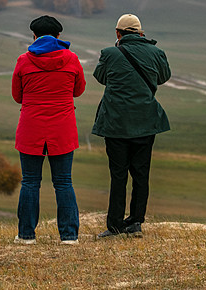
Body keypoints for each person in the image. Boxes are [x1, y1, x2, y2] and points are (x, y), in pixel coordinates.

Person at [91, 13, 171, 238]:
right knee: (141, 173)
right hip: (145, 122)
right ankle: (136, 222)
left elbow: (101, 77)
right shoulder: (156, 53)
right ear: (140, 33)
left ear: (118, 33)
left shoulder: (110, 53)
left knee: (118, 175)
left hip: (116, 124)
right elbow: (163, 77)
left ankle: (115, 225)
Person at [12, 15, 86, 245]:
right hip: (62, 128)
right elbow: (79, 90)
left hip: (31, 127)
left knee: (30, 182)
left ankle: (26, 235)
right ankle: (69, 236)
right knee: (63, 181)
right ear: (58, 36)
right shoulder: (72, 59)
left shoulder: (24, 60)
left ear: (34, 36)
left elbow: (17, 96)